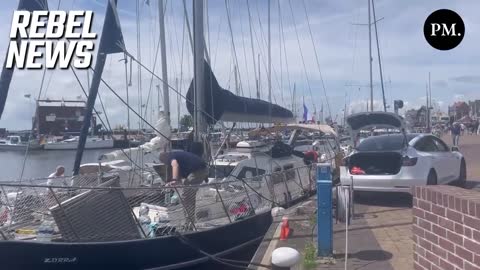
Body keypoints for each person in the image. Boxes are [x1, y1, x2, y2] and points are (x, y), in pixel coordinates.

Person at [159, 151, 208, 229]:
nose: (165, 163)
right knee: (188, 197)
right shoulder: (177, 157)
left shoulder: (172, 156)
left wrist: (174, 180)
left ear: (165, 157)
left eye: (163, 161)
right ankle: (189, 222)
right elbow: (179, 177)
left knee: (186, 197)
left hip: (198, 171)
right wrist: (173, 183)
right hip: (200, 170)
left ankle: (190, 223)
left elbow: (175, 166)